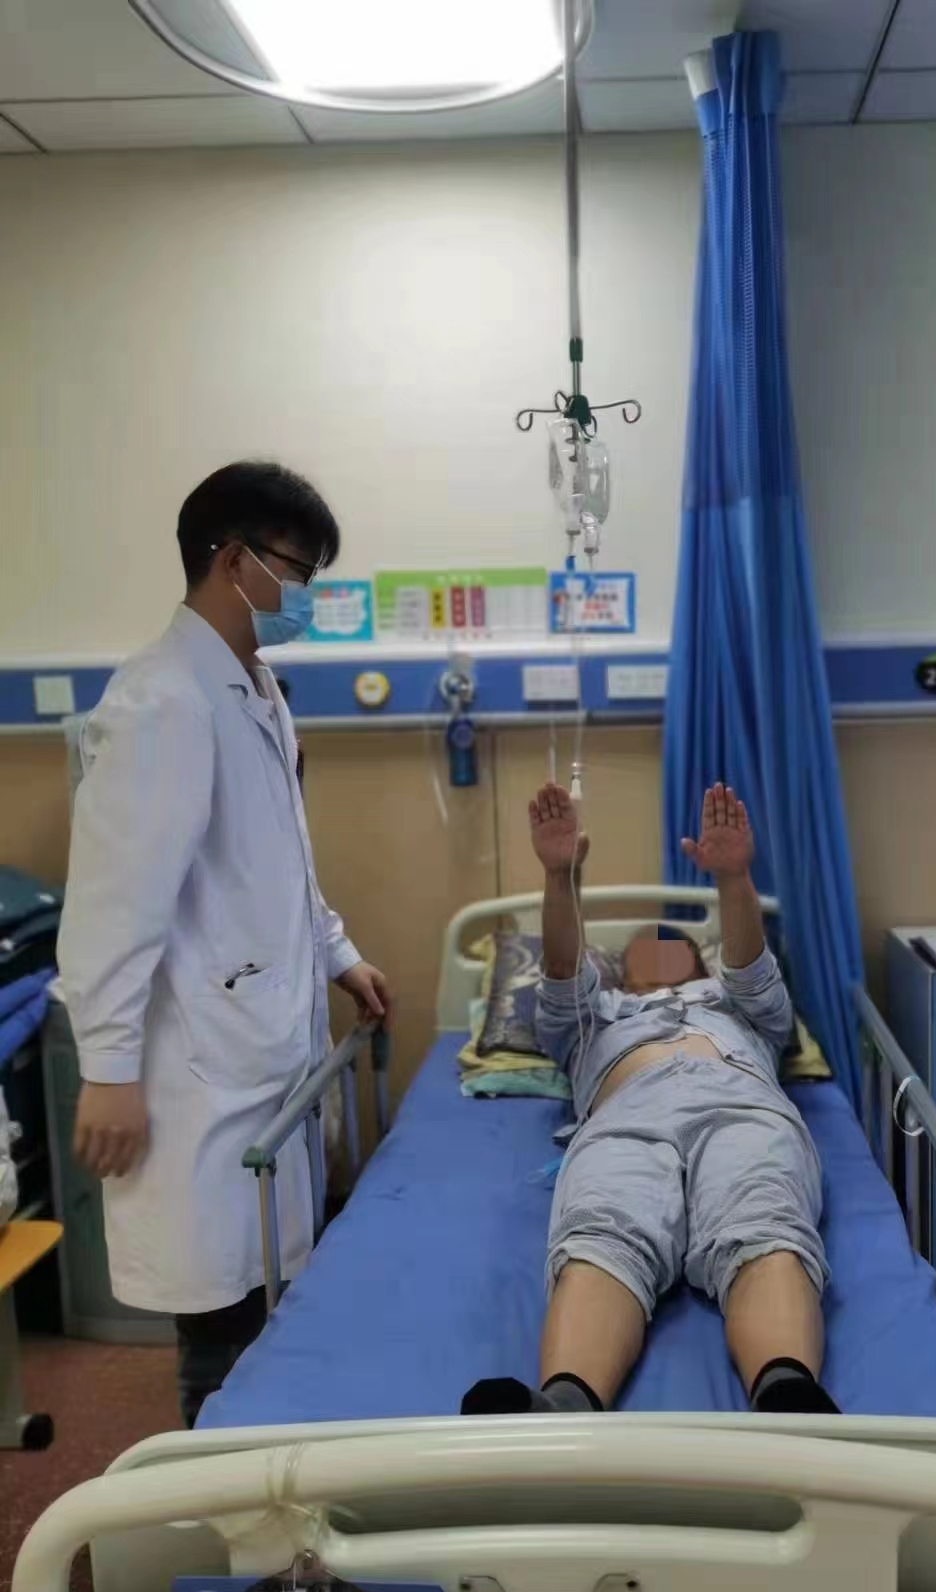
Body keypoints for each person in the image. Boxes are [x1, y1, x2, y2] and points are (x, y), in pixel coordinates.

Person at [58, 461, 393, 1427]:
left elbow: (280, 862)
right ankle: (216, 1496)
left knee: (267, 1305)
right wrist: (108, 1069)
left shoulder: (256, 689)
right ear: (235, 561)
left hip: (259, 1054)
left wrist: (338, 954)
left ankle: (265, 1478)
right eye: (300, 571)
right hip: (197, 1076)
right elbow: (115, 904)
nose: (307, 596)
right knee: (220, 1325)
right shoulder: (162, 701)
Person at [463, 780, 834, 1417]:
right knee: (604, 1229)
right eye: (645, 948)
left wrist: (733, 879)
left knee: (763, 1219)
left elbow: (749, 967)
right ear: (619, 970)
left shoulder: (740, 1006)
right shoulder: (594, 1017)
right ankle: (566, 1405)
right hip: (625, 1116)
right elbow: (562, 974)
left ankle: (787, 1394)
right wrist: (560, 878)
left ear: (703, 964)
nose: (659, 951)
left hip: (738, 1105)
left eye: (674, 946)